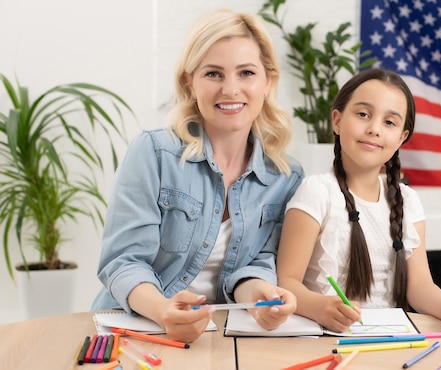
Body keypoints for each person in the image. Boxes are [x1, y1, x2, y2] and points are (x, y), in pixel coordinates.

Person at [92, 9, 303, 343]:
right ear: (189, 83)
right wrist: (163, 310)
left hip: (222, 339)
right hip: (137, 331)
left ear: (268, 81)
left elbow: (260, 262)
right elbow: (123, 262)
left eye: (246, 72)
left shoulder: (285, 176)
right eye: (213, 74)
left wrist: (261, 295)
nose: (231, 89)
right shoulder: (153, 152)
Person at [276, 68, 441, 333]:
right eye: (363, 114)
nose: (374, 129)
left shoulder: (407, 201)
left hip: (390, 339)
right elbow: (287, 280)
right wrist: (319, 307)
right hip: (326, 338)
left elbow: (419, 286)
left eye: (389, 122)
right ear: (337, 121)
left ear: (401, 138)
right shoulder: (316, 192)